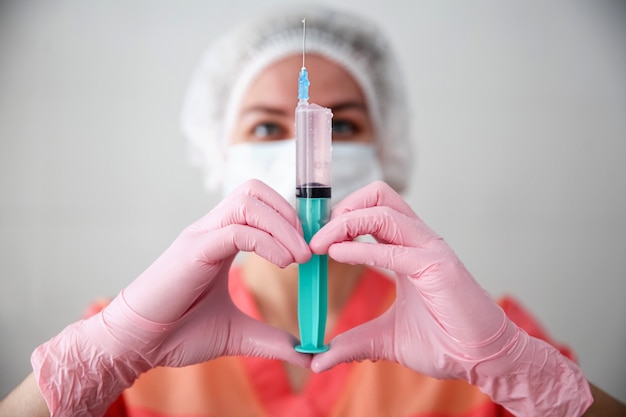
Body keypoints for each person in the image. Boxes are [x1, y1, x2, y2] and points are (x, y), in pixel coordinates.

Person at [1, 4, 625, 417]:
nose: (307, 144)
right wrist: (98, 358)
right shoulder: (136, 333)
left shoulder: (478, 332)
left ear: (388, 148)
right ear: (218, 150)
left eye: (343, 122)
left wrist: (525, 375)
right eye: (267, 127)